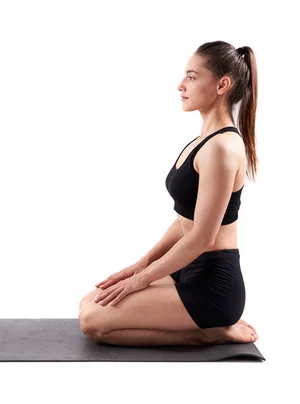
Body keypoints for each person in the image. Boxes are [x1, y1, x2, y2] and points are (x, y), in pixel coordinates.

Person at [78, 40, 260, 346]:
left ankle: (207, 332)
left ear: (222, 85)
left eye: (192, 77)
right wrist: (141, 264)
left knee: (92, 322)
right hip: (187, 269)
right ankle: (204, 327)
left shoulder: (222, 148)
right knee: (89, 301)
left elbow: (202, 237)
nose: (181, 85)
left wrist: (141, 280)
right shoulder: (203, 141)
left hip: (212, 286)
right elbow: (184, 220)